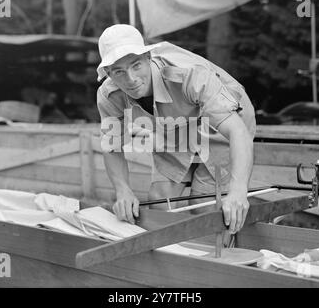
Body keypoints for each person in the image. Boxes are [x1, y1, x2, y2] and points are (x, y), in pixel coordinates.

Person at [97, 24, 256, 234]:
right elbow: (112, 146)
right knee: (160, 202)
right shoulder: (109, 95)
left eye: (136, 66)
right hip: (175, 126)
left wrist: (238, 191)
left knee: (208, 206)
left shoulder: (189, 75)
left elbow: (237, 131)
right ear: (108, 73)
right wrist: (123, 191)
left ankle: (218, 257)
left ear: (148, 57)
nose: (131, 79)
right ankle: (176, 257)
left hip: (223, 123)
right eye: (119, 72)